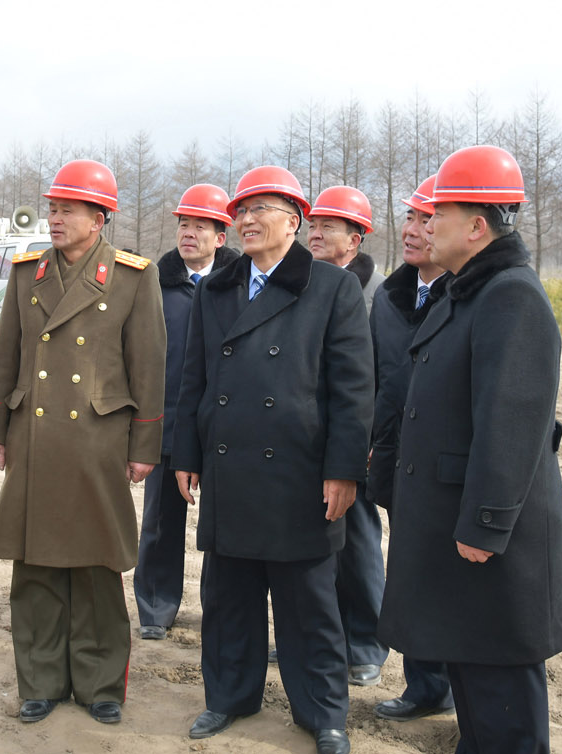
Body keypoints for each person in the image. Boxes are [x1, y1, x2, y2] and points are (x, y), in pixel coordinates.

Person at [173, 165, 373, 754]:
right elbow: (196, 378)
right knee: (227, 595)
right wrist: (187, 452)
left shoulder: (333, 288)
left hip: (301, 474)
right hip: (230, 468)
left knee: (309, 606)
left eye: (263, 208)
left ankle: (324, 713)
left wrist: (344, 470)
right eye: (242, 210)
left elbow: (354, 390)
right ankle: (229, 697)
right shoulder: (218, 288)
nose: (247, 219)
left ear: (294, 220)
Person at [376, 146, 562, 754]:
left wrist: (485, 525)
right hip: (450, 522)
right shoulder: (467, 291)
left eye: (439, 214)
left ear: (477, 226)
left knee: (500, 685)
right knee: (471, 671)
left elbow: (511, 425)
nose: (426, 226)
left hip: (484, 540)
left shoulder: (510, 296)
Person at [0, 159, 166, 727]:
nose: (55, 219)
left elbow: (149, 367)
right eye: (53, 208)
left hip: (98, 439)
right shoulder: (26, 272)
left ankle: (101, 683)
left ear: (100, 217)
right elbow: (6, 355)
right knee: (34, 566)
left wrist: (144, 447)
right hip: (34, 437)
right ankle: (39, 681)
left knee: (95, 566)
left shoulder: (134, 276)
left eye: (68, 210)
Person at [366, 175, 456, 721]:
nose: (413, 230)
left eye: (426, 219)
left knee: (452, 580)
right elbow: (377, 380)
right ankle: (425, 685)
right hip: (399, 459)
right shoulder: (391, 297)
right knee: (411, 574)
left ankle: (456, 685)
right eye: (409, 218)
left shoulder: (469, 297)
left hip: (447, 467)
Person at [135, 184, 240, 640]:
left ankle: (224, 611)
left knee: (226, 524)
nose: (189, 233)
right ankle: (156, 608)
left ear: (221, 236)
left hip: (224, 426)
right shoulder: (153, 286)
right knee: (160, 522)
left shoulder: (241, 286)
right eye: (184, 224)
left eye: (200, 225)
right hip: (169, 420)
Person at [306, 185, 387, 687]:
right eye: (312, 225)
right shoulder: (305, 283)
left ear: (355, 237)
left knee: (356, 542)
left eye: (328, 227)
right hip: (309, 441)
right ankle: (319, 635)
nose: (315, 234)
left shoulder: (378, 293)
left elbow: (378, 377)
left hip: (355, 440)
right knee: (312, 547)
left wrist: (367, 443)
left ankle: (365, 644)